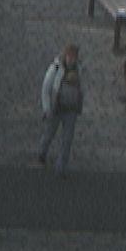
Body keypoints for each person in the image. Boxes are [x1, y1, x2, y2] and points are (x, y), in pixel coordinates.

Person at [38, 43, 84, 177]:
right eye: (70, 56)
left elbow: (82, 87)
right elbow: (46, 88)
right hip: (56, 108)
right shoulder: (56, 68)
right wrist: (46, 108)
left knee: (67, 139)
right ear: (65, 55)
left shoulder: (79, 69)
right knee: (49, 133)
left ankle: (61, 167)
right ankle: (42, 152)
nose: (72, 60)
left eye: (74, 57)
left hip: (71, 109)